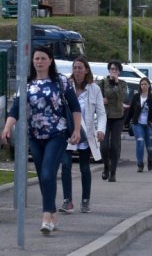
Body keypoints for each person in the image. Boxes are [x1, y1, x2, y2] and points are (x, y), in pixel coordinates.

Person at [1, 46, 82, 235]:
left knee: (46, 174)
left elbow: (75, 106)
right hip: (35, 136)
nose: (39, 61)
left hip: (57, 134)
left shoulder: (60, 81)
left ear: (50, 60)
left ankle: (46, 216)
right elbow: (16, 110)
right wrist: (6, 128)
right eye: (36, 58)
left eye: (43, 58)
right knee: (45, 177)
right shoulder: (27, 84)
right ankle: (53, 213)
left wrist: (77, 129)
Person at [59, 56, 107, 214]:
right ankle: (67, 200)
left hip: (86, 134)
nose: (77, 71)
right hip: (69, 133)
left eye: (80, 68)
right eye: (75, 68)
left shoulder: (94, 89)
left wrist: (101, 129)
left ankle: (85, 200)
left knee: (84, 168)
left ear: (86, 70)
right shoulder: (66, 86)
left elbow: (101, 113)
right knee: (65, 165)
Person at [99, 61, 128, 182]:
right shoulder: (102, 82)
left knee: (115, 146)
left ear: (119, 72)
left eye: (116, 69)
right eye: (111, 69)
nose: (113, 71)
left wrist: (116, 83)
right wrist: (101, 99)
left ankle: (113, 172)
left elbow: (121, 97)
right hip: (105, 116)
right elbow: (94, 95)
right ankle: (106, 166)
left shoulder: (122, 83)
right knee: (104, 146)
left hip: (118, 117)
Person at [124, 77, 152, 172]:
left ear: (149, 85)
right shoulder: (136, 96)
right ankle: (140, 164)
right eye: (142, 84)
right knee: (140, 142)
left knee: (150, 147)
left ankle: (150, 158)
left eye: (145, 84)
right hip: (137, 124)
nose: (143, 86)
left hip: (149, 124)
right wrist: (125, 123)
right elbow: (131, 111)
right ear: (140, 86)